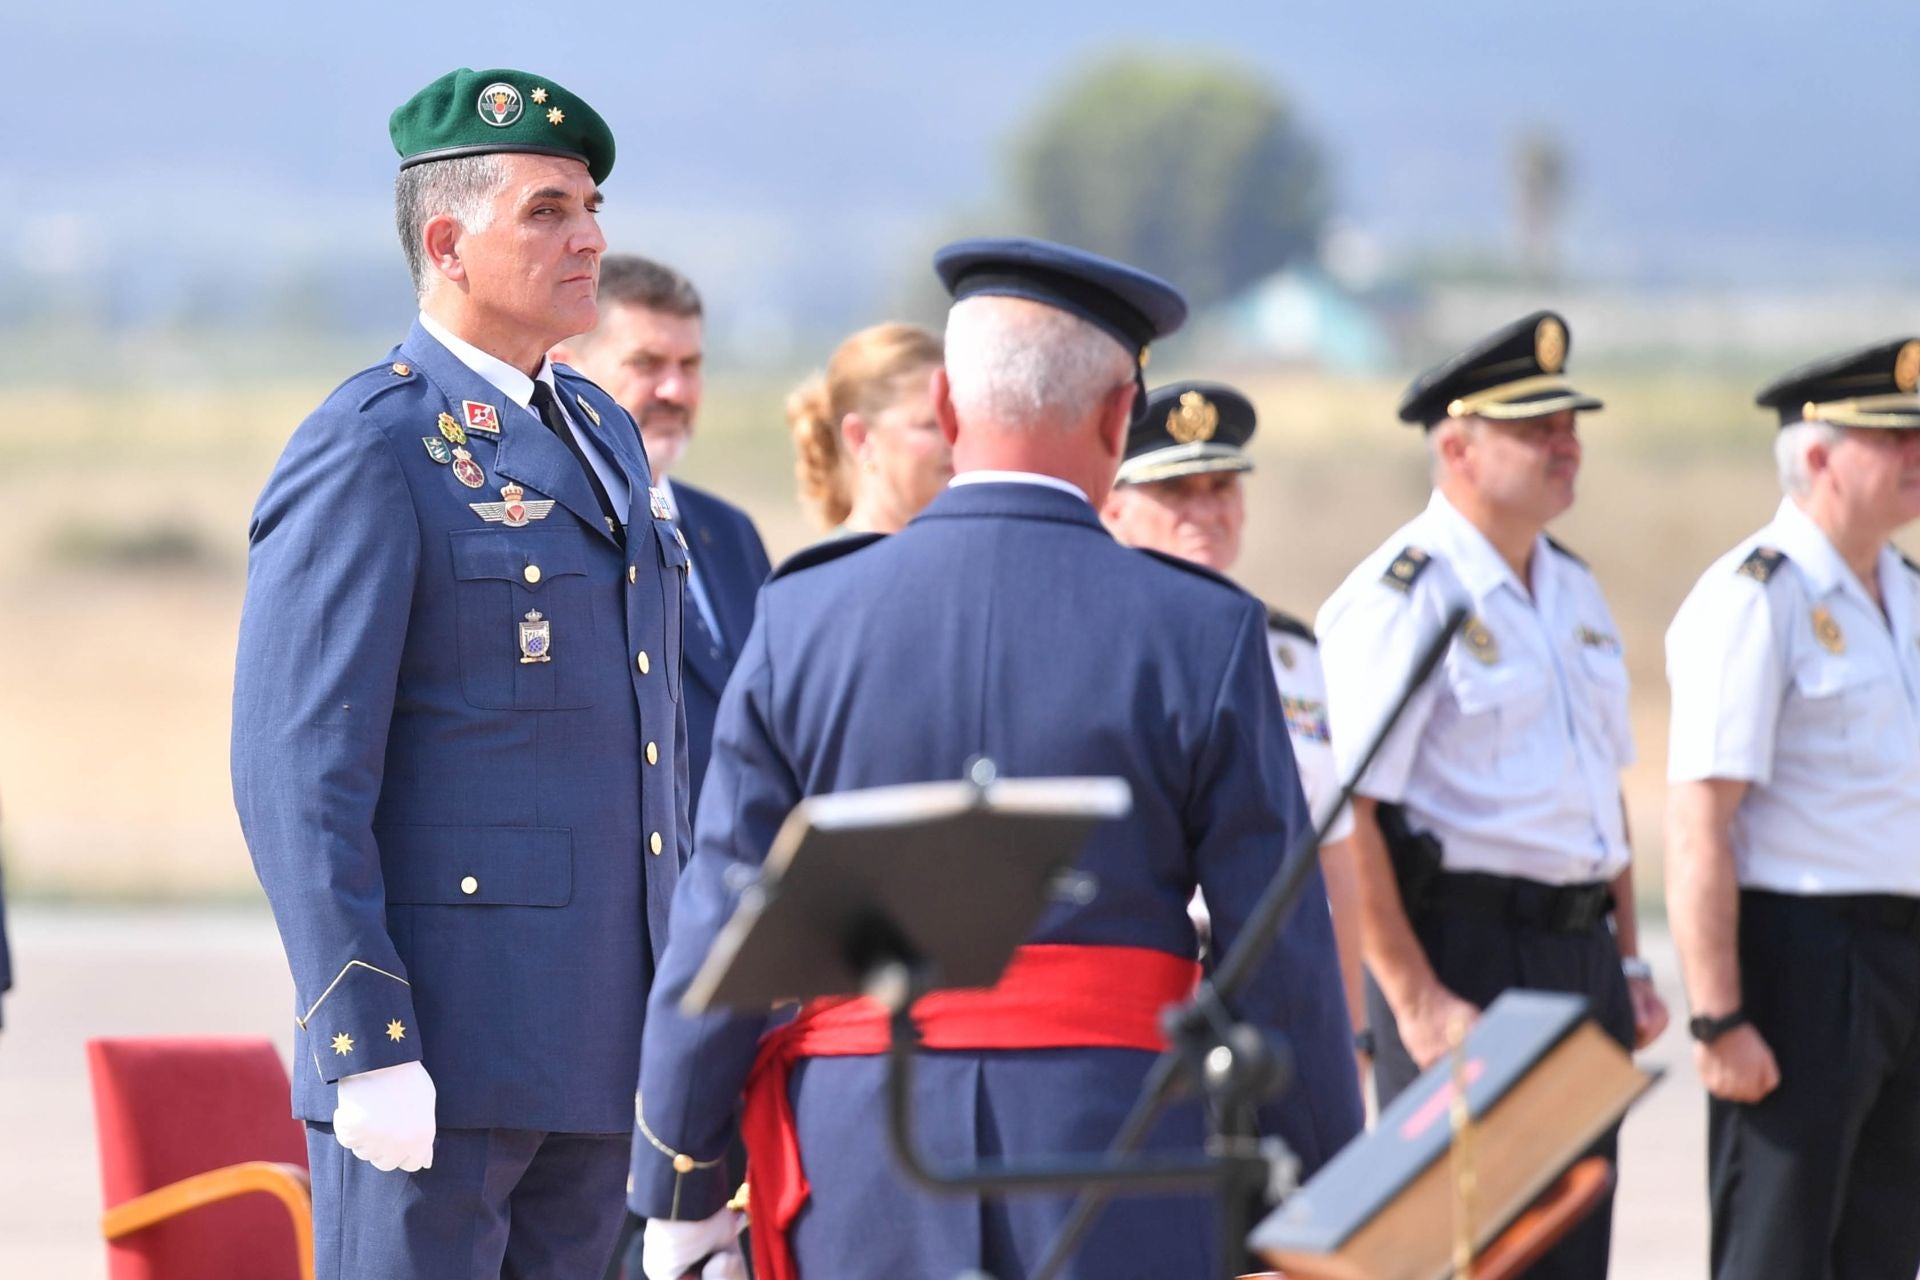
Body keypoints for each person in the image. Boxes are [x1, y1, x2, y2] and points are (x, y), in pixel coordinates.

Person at [625, 236, 1359, 1280]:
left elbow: (724, 919)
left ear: (950, 408)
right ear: (1119, 418)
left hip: (864, 1153)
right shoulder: (1204, 634)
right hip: (1117, 1144)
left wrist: (684, 1184)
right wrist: (1324, 1191)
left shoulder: (803, 616)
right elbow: (1276, 950)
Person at [232, 67, 688, 1280]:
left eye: (590, 205)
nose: (589, 236)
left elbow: (646, 744)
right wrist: (363, 1035)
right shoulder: (371, 446)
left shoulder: (600, 431)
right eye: (545, 210)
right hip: (439, 1051)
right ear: (447, 241)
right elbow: (297, 766)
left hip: (601, 1040)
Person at [1317, 312, 1668, 1280]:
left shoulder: (1575, 589)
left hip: (1576, 953)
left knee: (1573, 1247)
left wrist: (1627, 961)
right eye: (1535, 428)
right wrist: (1416, 995)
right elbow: (1350, 817)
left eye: (1570, 425)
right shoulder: (1405, 597)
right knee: (1473, 1253)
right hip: (1468, 958)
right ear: (1458, 446)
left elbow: (1605, 798)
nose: (1567, 445)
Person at [1665, 337, 1920, 1280]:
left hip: (1900, 958)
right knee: (1779, 1248)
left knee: (1883, 1249)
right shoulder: (1754, 598)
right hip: (1803, 962)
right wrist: (1718, 1018)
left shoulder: (1906, 593)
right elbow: (1702, 822)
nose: (1916, 456)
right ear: (1816, 457)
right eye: (1889, 439)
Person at [1100, 380, 1367, 1077]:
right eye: (1177, 491)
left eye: (1221, 487)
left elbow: (1333, 851)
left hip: (1277, 988)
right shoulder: (1097, 650)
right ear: (1112, 506)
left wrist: (1352, 1030)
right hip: (1150, 997)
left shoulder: (1290, 652)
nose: (1206, 511)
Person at [551, 255, 772, 819]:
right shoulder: (549, 532)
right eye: (646, 363)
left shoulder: (729, 532)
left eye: (690, 365)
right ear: (566, 368)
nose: (674, 390)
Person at [785, 322, 947, 535]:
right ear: (860, 437)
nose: (954, 438)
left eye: (958, 422)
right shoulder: (831, 565)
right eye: (931, 425)